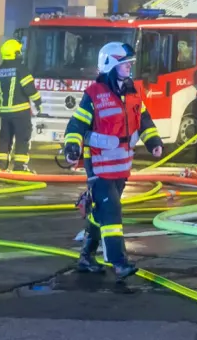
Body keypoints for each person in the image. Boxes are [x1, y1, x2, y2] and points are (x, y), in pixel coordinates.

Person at [62, 42, 164, 279]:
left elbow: (144, 120)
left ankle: (87, 257)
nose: (129, 68)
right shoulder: (94, 94)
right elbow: (77, 125)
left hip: (121, 166)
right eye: (124, 64)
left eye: (129, 64)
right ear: (110, 65)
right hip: (98, 165)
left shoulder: (133, 91)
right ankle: (119, 262)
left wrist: (154, 142)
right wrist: (72, 147)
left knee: (101, 213)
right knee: (112, 212)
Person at [0, 38, 42, 172]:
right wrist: (39, 103)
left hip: (5, 113)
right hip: (21, 112)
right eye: (19, 51)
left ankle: (1, 165)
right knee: (22, 138)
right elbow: (30, 89)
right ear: (16, 53)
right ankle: (20, 167)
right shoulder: (21, 69)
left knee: (5, 138)